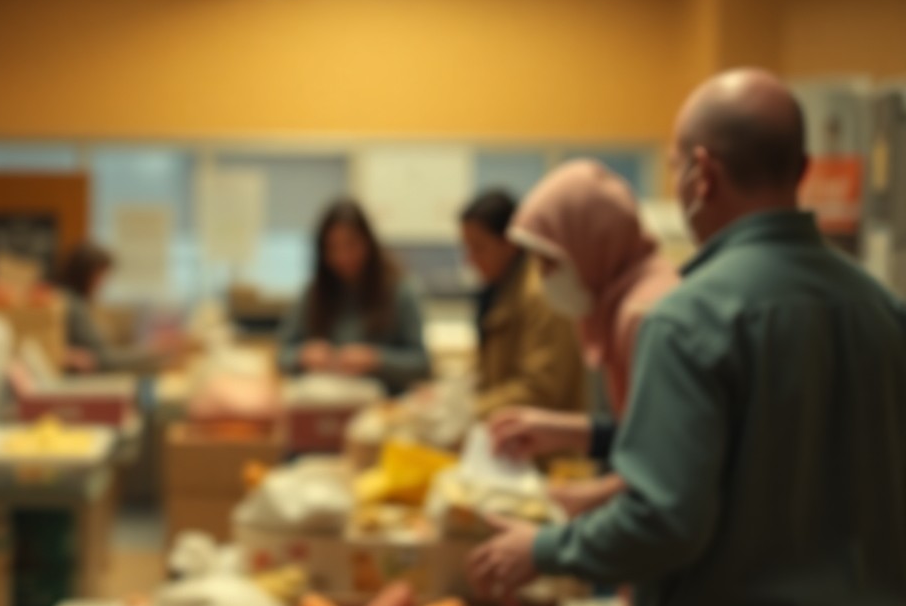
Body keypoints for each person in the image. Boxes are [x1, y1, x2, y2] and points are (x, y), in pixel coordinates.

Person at [469, 68, 906, 606]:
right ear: (804, 167)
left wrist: (545, 548)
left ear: (700, 174)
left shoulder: (689, 316)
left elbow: (665, 520)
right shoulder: (883, 311)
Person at [491, 161, 679, 514]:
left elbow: (666, 475)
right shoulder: (622, 300)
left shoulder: (643, 315)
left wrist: (556, 539)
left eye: (550, 262)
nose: (544, 279)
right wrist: (566, 430)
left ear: (589, 244)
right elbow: (640, 433)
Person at [277, 199, 431, 395]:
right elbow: (282, 355)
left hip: (383, 409)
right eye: (333, 248)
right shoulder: (314, 292)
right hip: (325, 402)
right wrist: (303, 355)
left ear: (368, 243)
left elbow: (422, 365)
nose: (343, 257)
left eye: (351, 245)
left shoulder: (400, 290)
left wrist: (376, 359)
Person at [459, 188, 586, 418]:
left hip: (548, 445)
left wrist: (470, 410)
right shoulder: (500, 287)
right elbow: (489, 369)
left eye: (479, 248)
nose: (471, 260)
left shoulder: (541, 294)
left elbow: (541, 387)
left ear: (510, 243)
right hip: (514, 438)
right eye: (467, 248)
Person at [55, 242, 161, 373]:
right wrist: (153, 352)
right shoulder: (72, 304)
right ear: (84, 273)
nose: (102, 283)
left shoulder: (71, 300)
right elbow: (101, 359)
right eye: (100, 276)